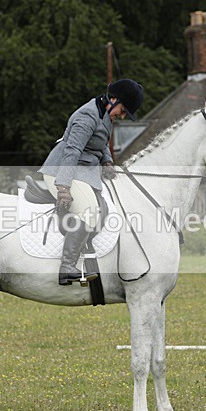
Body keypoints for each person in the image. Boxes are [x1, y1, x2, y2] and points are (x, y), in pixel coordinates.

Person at [39, 79, 143, 285]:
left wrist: (107, 161)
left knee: (103, 206)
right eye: (122, 110)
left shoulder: (103, 112)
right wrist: (63, 187)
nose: (122, 116)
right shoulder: (87, 116)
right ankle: (67, 266)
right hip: (61, 170)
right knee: (89, 210)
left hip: (83, 171)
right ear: (113, 99)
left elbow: (100, 141)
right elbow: (72, 151)